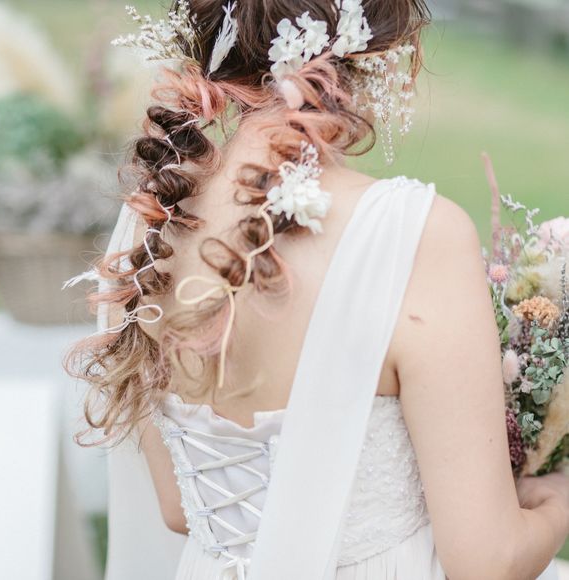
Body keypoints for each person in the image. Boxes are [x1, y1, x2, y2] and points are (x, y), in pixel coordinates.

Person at [67, 1, 569, 578]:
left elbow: (180, 509)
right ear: (381, 51)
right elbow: (487, 560)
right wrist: (557, 496)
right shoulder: (410, 234)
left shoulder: (153, 223)